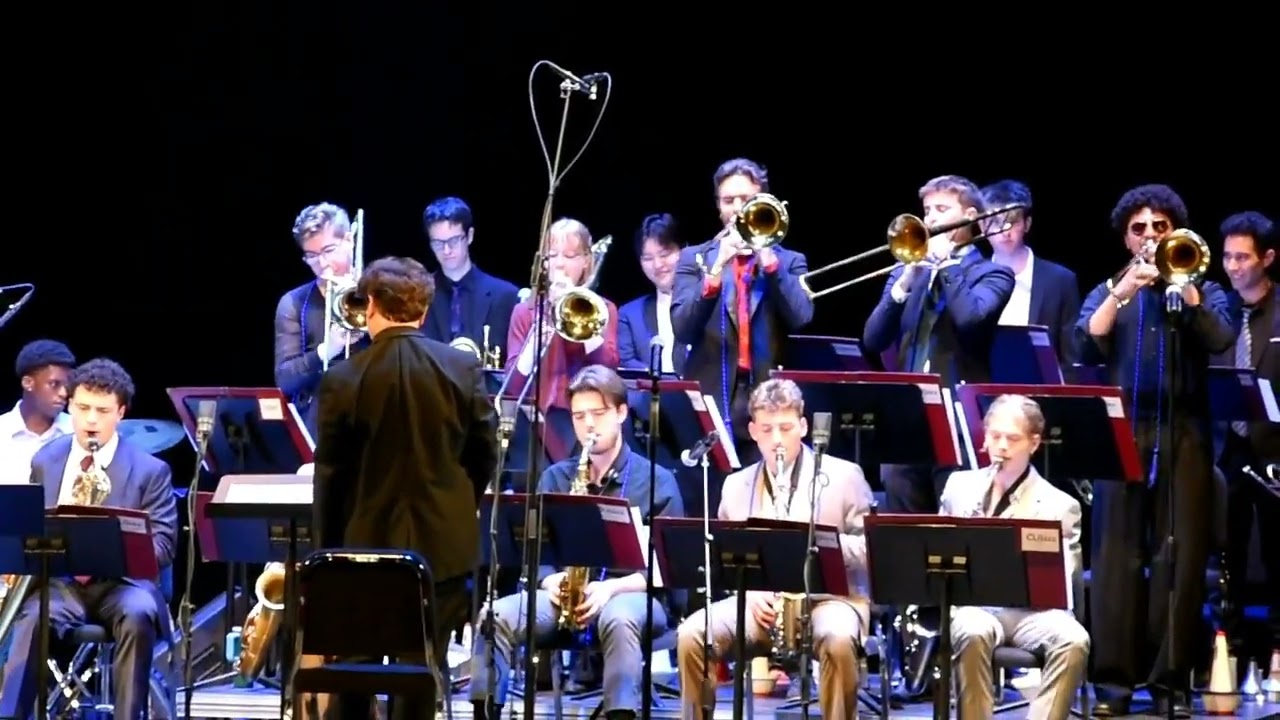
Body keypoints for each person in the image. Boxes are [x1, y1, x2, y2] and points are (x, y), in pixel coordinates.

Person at [312, 256, 499, 720]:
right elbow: (485, 455)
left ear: (371, 303)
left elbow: (330, 478)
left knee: (355, 668)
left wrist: (326, 555)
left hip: (361, 551)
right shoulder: (461, 368)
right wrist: (458, 507)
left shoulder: (342, 378)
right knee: (422, 667)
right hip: (444, 551)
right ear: (422, 310)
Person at [1076, 184, 1235, 716]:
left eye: (1161, 226)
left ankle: (1172, 685)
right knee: (1115, 559)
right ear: (1126, 237)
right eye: (1140, 228)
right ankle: (1114, 687)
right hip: (1120, 432)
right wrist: (1123, 291)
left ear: (1178, 233)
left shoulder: (1204, 290)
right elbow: (1084, 341)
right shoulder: (1110, 289)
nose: (1151, 236)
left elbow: (1220, 339)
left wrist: (1185, 288)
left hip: (1185, 433)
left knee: (1181, 560)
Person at [468, 364, 684, 720]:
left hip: (635, 596)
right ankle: (485, 711)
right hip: (566, 595)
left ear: (621, 413)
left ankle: (621, 714)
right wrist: (551, 579)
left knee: (618, 617)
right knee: (496, 615)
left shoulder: (656, 480)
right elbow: (532, 550)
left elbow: (669, 565)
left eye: (597, 414)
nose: (588, 425)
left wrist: (611, 589)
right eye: (579, 416)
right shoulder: (557, 476)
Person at [675, 378, 874, 720]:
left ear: (804, 426)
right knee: (692, 633)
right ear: (753, 431)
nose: (777, 440)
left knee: (839, 639)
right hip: (759, 606)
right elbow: (724, 558)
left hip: (830, 601)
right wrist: (749, 592)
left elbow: (871, 550)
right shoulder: (736, 485)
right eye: (767, 429)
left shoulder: (845, 476)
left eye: (786, 427)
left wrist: (820, 545)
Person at [0, 358, 177, 720]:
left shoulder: (150, 470)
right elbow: (32, 526)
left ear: (121, 413)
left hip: (122, 584)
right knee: (32, 616)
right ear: (70, 407)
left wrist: (115, 547)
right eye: (82, 408)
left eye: (102, 410)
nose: (91, 420)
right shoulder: (47, 459)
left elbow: (164, 546)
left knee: (139, 613)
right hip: (62, 583)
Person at [863, 175, 1014, 513]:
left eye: (941, 209)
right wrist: (903, 282)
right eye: (927, 210)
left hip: (959, 418)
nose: (929, 219)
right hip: (907, 417)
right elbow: (873, 339)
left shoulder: (993, 274)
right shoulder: (909, 272)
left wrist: (946, 264)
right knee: (902, 530)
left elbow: (970, 319)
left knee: (954, 527)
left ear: (970, 215)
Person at [940, 394, 1090, 720]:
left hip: (1032, 613)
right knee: (970, 629)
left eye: (1013, 439)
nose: (1002, 447)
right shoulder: (959, 487)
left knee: (1074, 639)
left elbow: (1062, 581)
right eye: (995, 436)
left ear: (1034, 444)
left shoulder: (1059, 504)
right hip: (976, 606)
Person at [671, 158, 814, 469]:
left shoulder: (789, 261)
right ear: (718, 207)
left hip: (770, 400)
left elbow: (801, 317)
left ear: (763, 200)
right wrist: (716, 268)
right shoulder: (692, 258)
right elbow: (682, 328)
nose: (737, 208)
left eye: (746, 199)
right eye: (728, 200)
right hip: (714, 397)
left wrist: (768, 258)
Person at [505, 218, 620, 480]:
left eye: (569, 256)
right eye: (552, 255)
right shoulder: (525, 311)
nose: (559, 264)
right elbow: (512, 386)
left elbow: (608, 370)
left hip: (585, 427)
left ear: (585, 262)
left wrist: (584, 316)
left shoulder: (603, 309)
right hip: (536, 431)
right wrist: (538, 333)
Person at [1212, 210, 1279, 655]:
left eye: (1243, 258)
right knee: (1225, 554)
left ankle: (1278, 649)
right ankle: (1225, 651)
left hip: (1275, 450)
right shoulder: (1220, 312)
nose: (1234, 267)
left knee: (1276, 554)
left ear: (1268, 258)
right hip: (1225, 450)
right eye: (1227, 257)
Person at [274, 202, 370, 437]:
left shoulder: (380, 292)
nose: (322, 264)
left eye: (328, 251)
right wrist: (327, 350)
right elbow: (285, 380)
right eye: (312, 256)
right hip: (320, 427)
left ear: (349, 241)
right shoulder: (294, 302)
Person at [980, 180, 1082, 367]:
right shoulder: (972, 278)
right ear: (981, 227)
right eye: (995, 222)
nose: (1004, 232)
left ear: (1027, 224)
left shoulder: (1061, 280)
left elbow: (1070, 357)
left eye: (1011, 222)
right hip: (984, 388)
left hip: (1039, 392)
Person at [420, 196, 521, 366]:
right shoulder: (418, 294)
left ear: (470, 236)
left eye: (453, 241)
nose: (446, 250)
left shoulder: (506, 296)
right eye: (437, 243)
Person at [617, 213, 688, 374]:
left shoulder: (707, 302)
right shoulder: (629, 314)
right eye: (648, 258)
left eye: (664, 255)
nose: (657, 265)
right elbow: (627, 363)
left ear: (684, 250)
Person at [0, 339, 76, 484]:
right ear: (28, 383)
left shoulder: (77, 432)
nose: (64, 393)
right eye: (54, 384)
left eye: (67, 386)